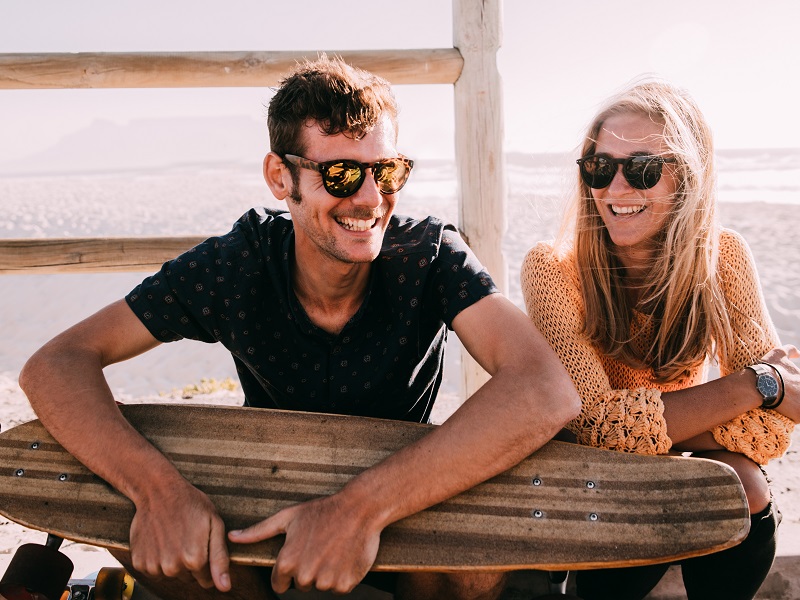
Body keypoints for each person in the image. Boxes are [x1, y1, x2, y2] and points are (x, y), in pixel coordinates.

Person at [19, 56, 580, 600]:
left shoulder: (428, 255)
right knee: (145, 533)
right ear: (279, 176)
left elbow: (545, 389)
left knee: (473, 563)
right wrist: (157, 492)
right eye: (340, 174)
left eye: (386, 172)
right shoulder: (235, 266)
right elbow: (56, 364)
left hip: (402, 501)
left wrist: (356, 511)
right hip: (263, 506)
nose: (369, 198)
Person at [521, 79, 799, 600]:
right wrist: (757, 384)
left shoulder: (723, 258)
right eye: (600, 168)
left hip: (664, 465)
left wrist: (656, 424)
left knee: (746, 483)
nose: (616, 189)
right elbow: (593, 426)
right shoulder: (553, 269)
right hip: (589, 477)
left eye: (643, 169)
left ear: (685, 180)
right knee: (647, 485)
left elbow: (773, 435)